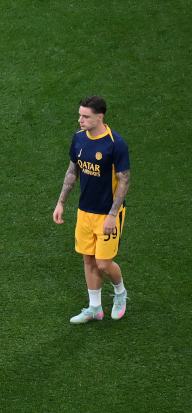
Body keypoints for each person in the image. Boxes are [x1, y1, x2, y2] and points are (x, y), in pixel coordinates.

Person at [53, 96, 130, 323]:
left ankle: (120, 294)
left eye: (85, 116)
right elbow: (72, 171)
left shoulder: (116, 143)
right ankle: (94, 308)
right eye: (80, 115)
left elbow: (124, 181)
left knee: (104, 262)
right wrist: (61, 203)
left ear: (100, 116)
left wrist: (112, 216)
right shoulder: (79, 139)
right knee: (88, 259)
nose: (80, 120)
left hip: (107, 214)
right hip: (84, 211)